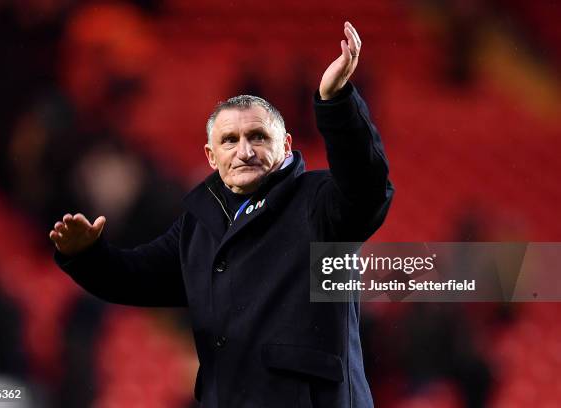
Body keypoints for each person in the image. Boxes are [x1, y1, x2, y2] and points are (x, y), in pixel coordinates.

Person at [50, 21, 394, 408]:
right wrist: (86, 256)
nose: (244, 151)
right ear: (212, 157)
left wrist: (336, 102)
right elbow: (134, 279)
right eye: (230, 140)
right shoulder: (200, 223)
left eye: (258, 137)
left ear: (286, 145)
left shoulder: (319, 202)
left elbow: (368, 188)